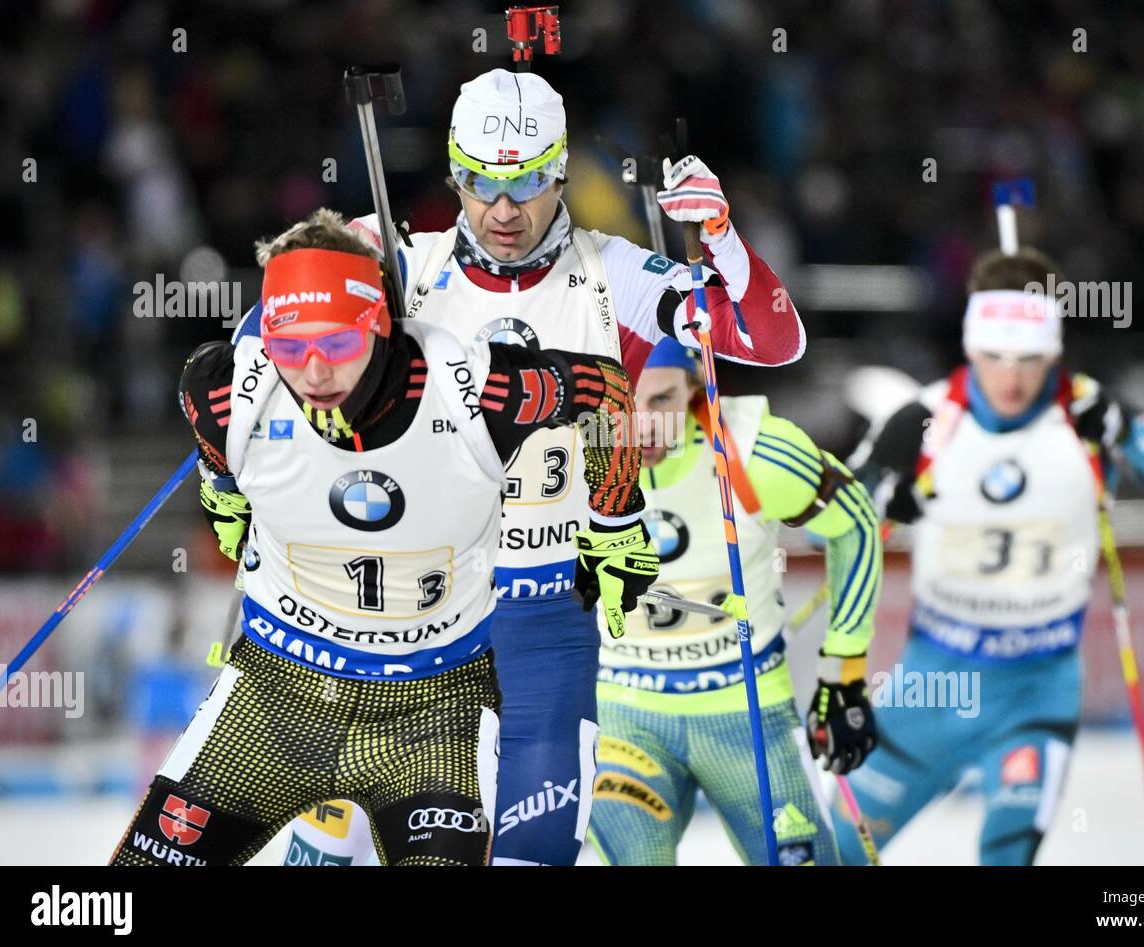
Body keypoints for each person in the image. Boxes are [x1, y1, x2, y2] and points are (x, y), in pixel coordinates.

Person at [271, 67, 807, 865]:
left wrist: (723, 237)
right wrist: (313, 274)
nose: (504, 209)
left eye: (527, 181)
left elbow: (773, 342)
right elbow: (283, 341)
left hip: (549, 625)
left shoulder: (613, 273)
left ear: (561, 172)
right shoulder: (404, 266)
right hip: (415, 616)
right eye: (481, 183)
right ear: (454, 175)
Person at [110, 209, 653, 866]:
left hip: (433, 714)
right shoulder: (225, 388)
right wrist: (223, 491)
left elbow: (605, 389)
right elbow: (207, 421)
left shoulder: (476, 389)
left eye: (336, 344)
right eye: (292, 347)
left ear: (379, 321)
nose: (313, 373)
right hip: (274, 701)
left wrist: (616, 521)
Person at [832, 247, 1144, 865]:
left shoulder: (1088, 415)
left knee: (1004, 858)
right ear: (970, 345)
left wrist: (1130, 433)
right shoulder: (924, 420)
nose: (1011, 378)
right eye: (995, 356)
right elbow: (830, 528)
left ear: (1054, 350)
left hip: (1036, 692)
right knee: (834, 853)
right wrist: (873, 495)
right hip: (930, 689)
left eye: (1030, 358)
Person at [586, 337, 882, 866]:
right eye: (622, 400)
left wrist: (846, 674)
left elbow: (855, 523)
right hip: (624, 716)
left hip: (748, 713)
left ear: (697, 388)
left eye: (661, 400)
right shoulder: (558, 456)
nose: (643, 423)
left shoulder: (753, 451)